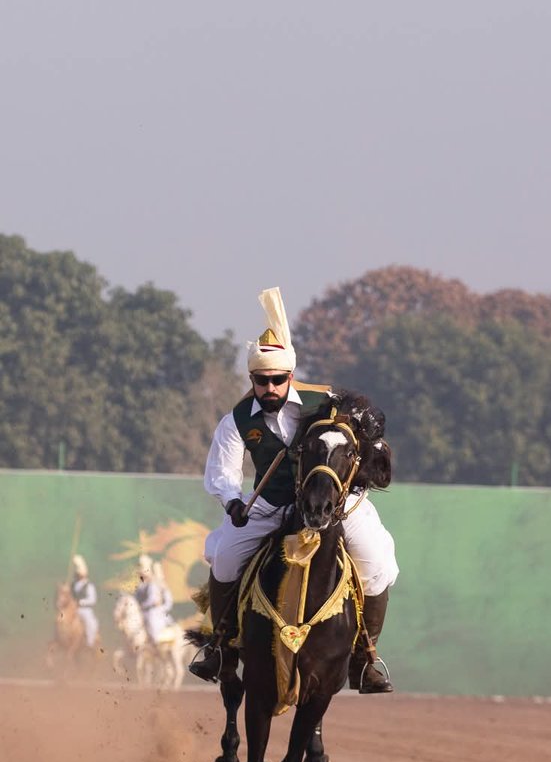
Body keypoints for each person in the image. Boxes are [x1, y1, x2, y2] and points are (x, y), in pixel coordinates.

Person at [189, 286, 398, 690]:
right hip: (269, 506)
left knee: (378, 564)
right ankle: (219, 647)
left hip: (337, 506)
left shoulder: (324, 400)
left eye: (277, 380)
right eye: (261, 381)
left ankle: (365, 659)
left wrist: (369, 422)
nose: (269, 388)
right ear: (251, 379)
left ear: (290, 376)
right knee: (225, 558)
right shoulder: (237, 420)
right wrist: (232, 502)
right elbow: (223, 470)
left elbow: (367, 421)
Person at [134, 554, 172, 646]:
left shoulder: (153, 584)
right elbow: (136, 598)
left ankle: (157, 645)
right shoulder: (140, 585)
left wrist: (141, 606)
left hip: (153, 612)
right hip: (142, 612)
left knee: (152, 620)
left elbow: (153, 600)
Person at [70, 554, 99, 649]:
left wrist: (80, 602)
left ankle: (89, 644)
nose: (78, 575)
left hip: (85, 610)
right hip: (73, 609)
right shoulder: (73, 585)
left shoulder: (89, 586)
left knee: (91, 624)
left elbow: (92, 600)